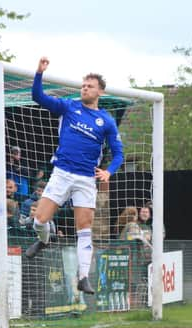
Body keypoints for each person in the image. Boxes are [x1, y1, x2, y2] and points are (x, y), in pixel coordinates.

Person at [24, 57, 124, 295]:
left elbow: (119, 153)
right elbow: (38, 97)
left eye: (89, 86)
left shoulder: (106, 121)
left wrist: (109, 171)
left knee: (84, 227)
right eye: (83, 85)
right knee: (39, 220)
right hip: (61, 173)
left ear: (100, 91)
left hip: (85, 180)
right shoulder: (69, 107)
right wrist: (39, 74)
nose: (85, 88)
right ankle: (46, 240)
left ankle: (83, 276)